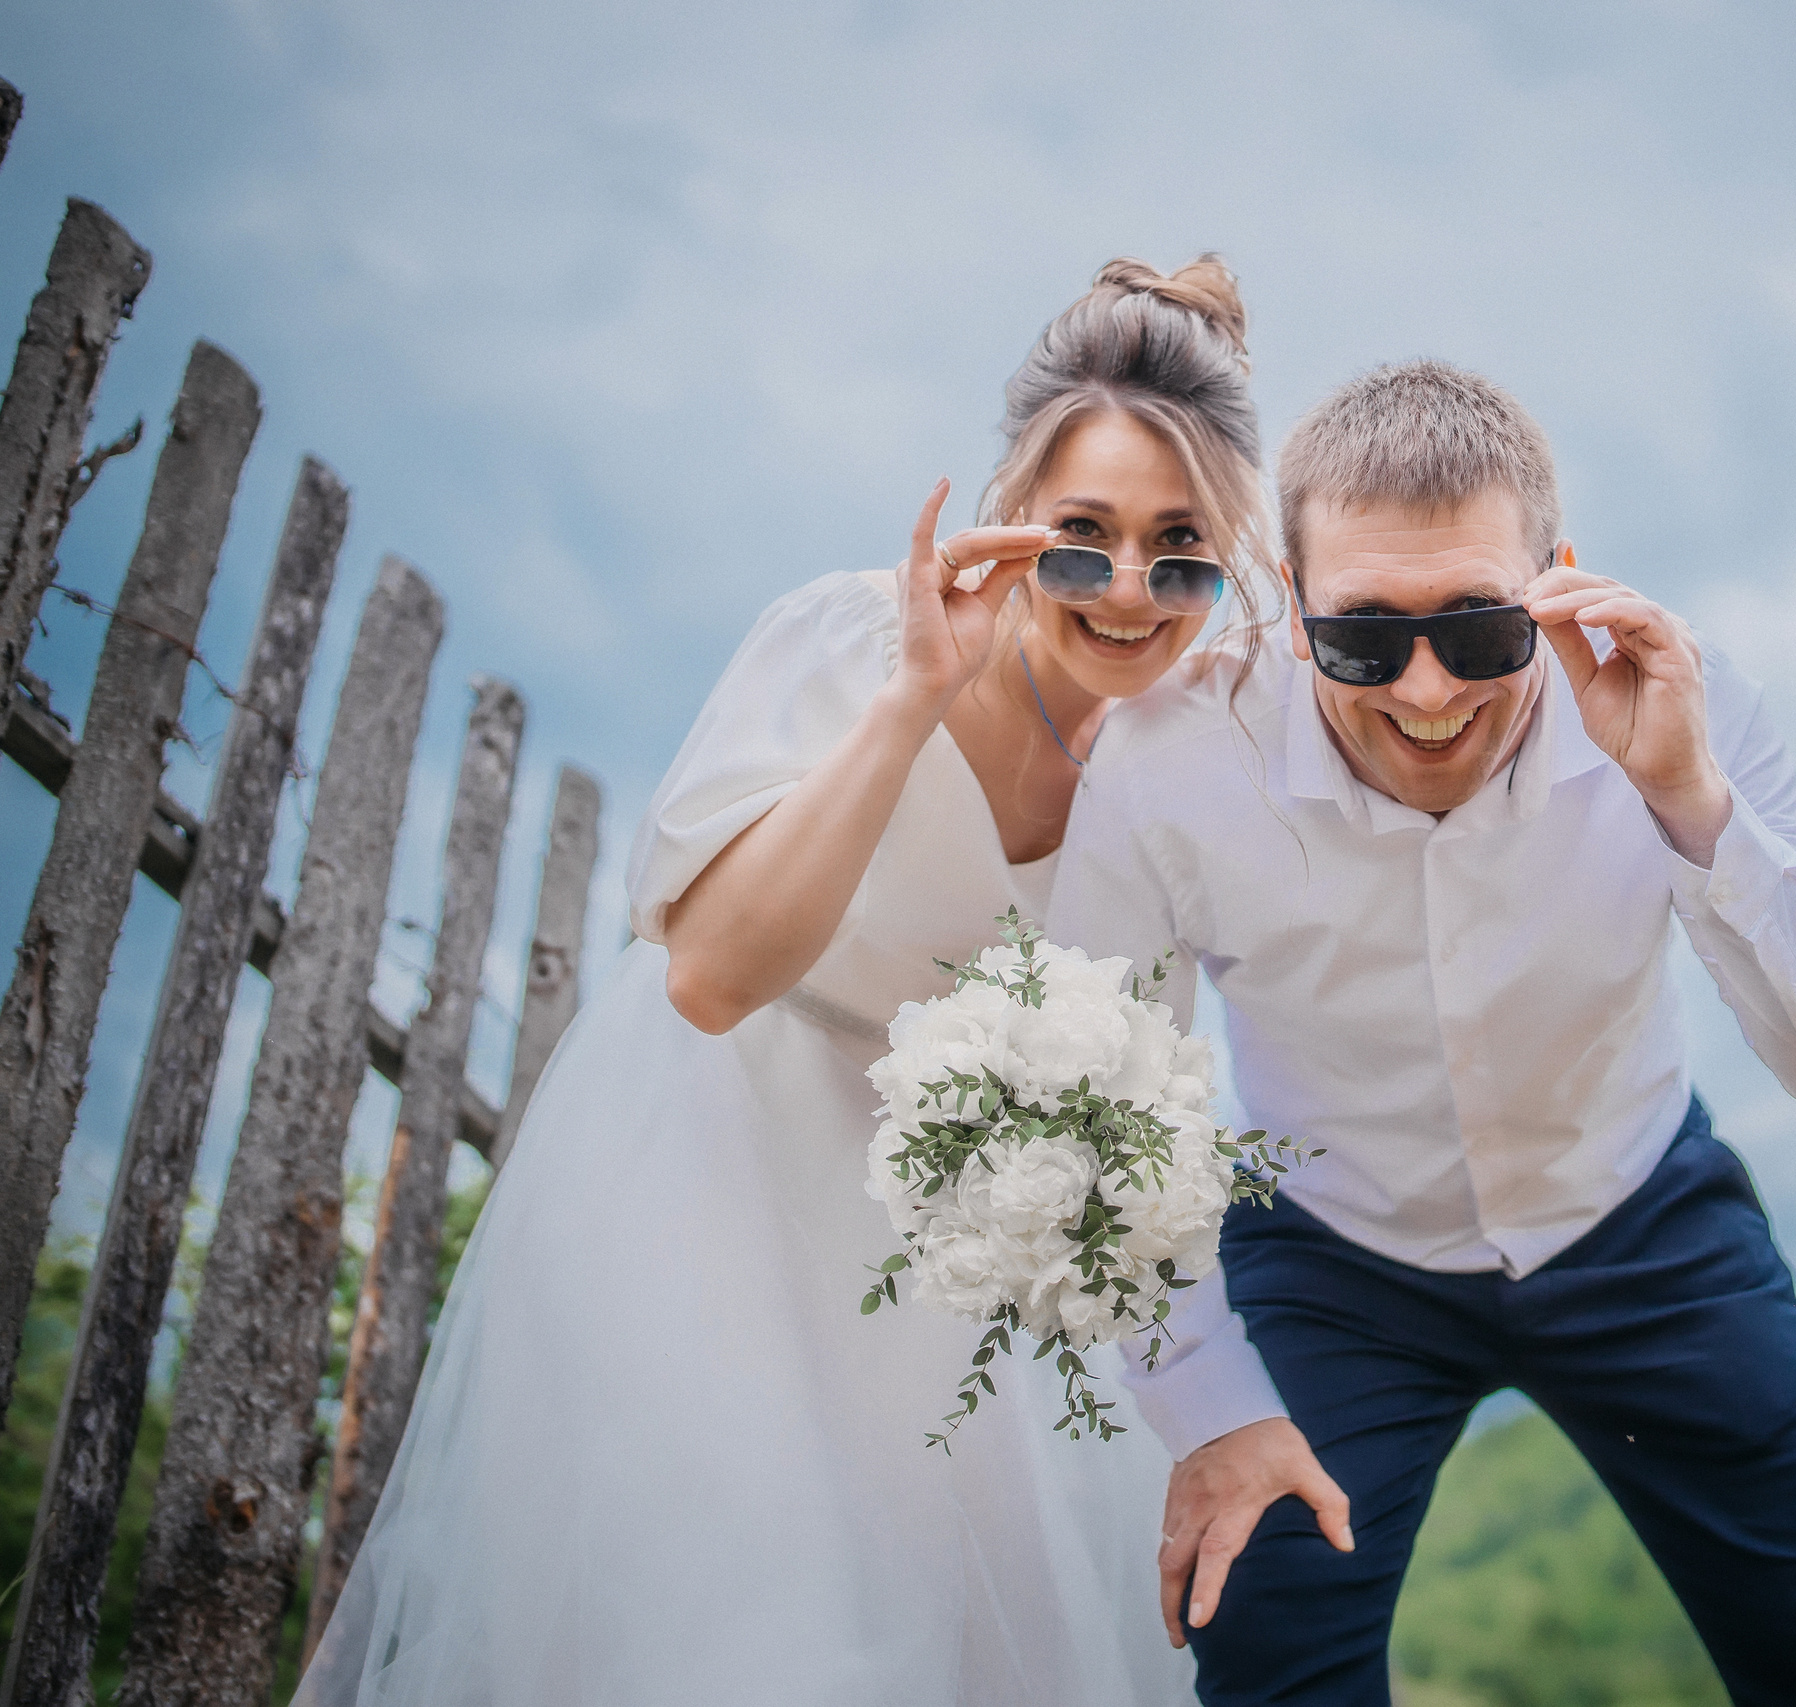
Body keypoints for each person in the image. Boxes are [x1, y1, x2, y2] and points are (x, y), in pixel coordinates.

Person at [297, 256, 1280, 1706]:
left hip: (940, 1267)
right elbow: (710, 974)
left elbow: (1137, 1100)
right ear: (1014, 516)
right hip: (718, 1187)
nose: (1129, 592)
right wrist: (910, 705)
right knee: (748, 1642)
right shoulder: (848, 639)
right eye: (1083, 538)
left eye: (1181, 553)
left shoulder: (1179, 764)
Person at [1048, 359, 1796, 1706]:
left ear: (1557, 581)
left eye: (1477, 629)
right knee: (1271, 1660)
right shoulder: (1167, 762)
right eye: (1364, 636)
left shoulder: (1683, 701)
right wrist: (1205, 1402)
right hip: (1331, 1256)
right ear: (1290, 611)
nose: (1424, 691)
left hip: (1641, 1219)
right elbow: (1099, 1113)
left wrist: (1691, 802)